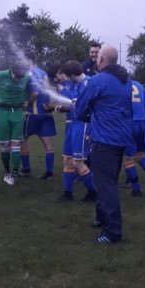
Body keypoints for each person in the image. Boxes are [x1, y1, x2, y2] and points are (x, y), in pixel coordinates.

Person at [76, 46, 133, 245]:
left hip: (104, 140)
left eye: (97, 58)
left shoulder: (98, 80)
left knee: (107, 186)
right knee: (106, 180)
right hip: (121, 139)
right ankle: (101, 217)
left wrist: (88, 113)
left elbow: (80, 110)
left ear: (100, 60)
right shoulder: (126, 80)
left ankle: (113, 232)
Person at [0, 63, 31, 186]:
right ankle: (7, 172)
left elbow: (29, 89)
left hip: (18, 112)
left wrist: (26, 100)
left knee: (16, 144)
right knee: (5, 145)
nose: (18, 80)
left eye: (21, 78)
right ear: (11, 72)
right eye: (16, 78)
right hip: (2, 112)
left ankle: (14, 173)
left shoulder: (27, 76)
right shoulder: (0, 75)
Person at [58, 61, 97, 201]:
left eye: (67, 76)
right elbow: (77, 105)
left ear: (72, 75)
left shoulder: (89, 84)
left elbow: (86, 107)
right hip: (73, 124)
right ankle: (68, 193)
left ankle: (94, 193)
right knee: (67, 159)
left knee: (78, 162)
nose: (67, 79)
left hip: (83, 125)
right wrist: (65, 108)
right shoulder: (79, 84)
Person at [21, 54, 56, 180]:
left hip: (33, 114)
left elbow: (35, 92)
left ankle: (26, 170)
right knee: (47, 144)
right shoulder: (43, 73)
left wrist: (27, 104)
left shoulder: (31, 74)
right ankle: (49, 173)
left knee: (22, 139)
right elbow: (50, 90)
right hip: (46, 112)